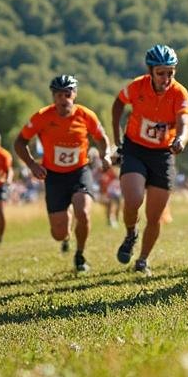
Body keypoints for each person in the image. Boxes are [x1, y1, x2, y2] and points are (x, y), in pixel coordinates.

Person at [16, 75, 113, 271]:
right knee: (58, 234)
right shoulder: (42, 116)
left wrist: (106, 155)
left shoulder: (86, 115)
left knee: (83, 212)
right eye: (59, 95)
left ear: (74, 94)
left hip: (79, 171)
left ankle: (80, 255)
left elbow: (101, 138)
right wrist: (32, 165)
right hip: (53, 176)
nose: (64, 99)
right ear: (53, 97)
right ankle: (66, 235)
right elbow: (20, 142)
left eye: (67, 94)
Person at [110, 45, 188, 274]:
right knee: (134, 199)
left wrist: (181, 140)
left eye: (170, 72)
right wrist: (117, 139)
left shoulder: (179, 93)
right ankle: (130, 234)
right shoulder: (137, 86)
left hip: (162, 154)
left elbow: (184, 124)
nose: (166, 78)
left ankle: (143, 259)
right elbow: (117, 104)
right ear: (150, 71)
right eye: (161, 73)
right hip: (135, 149)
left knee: (154, 216)